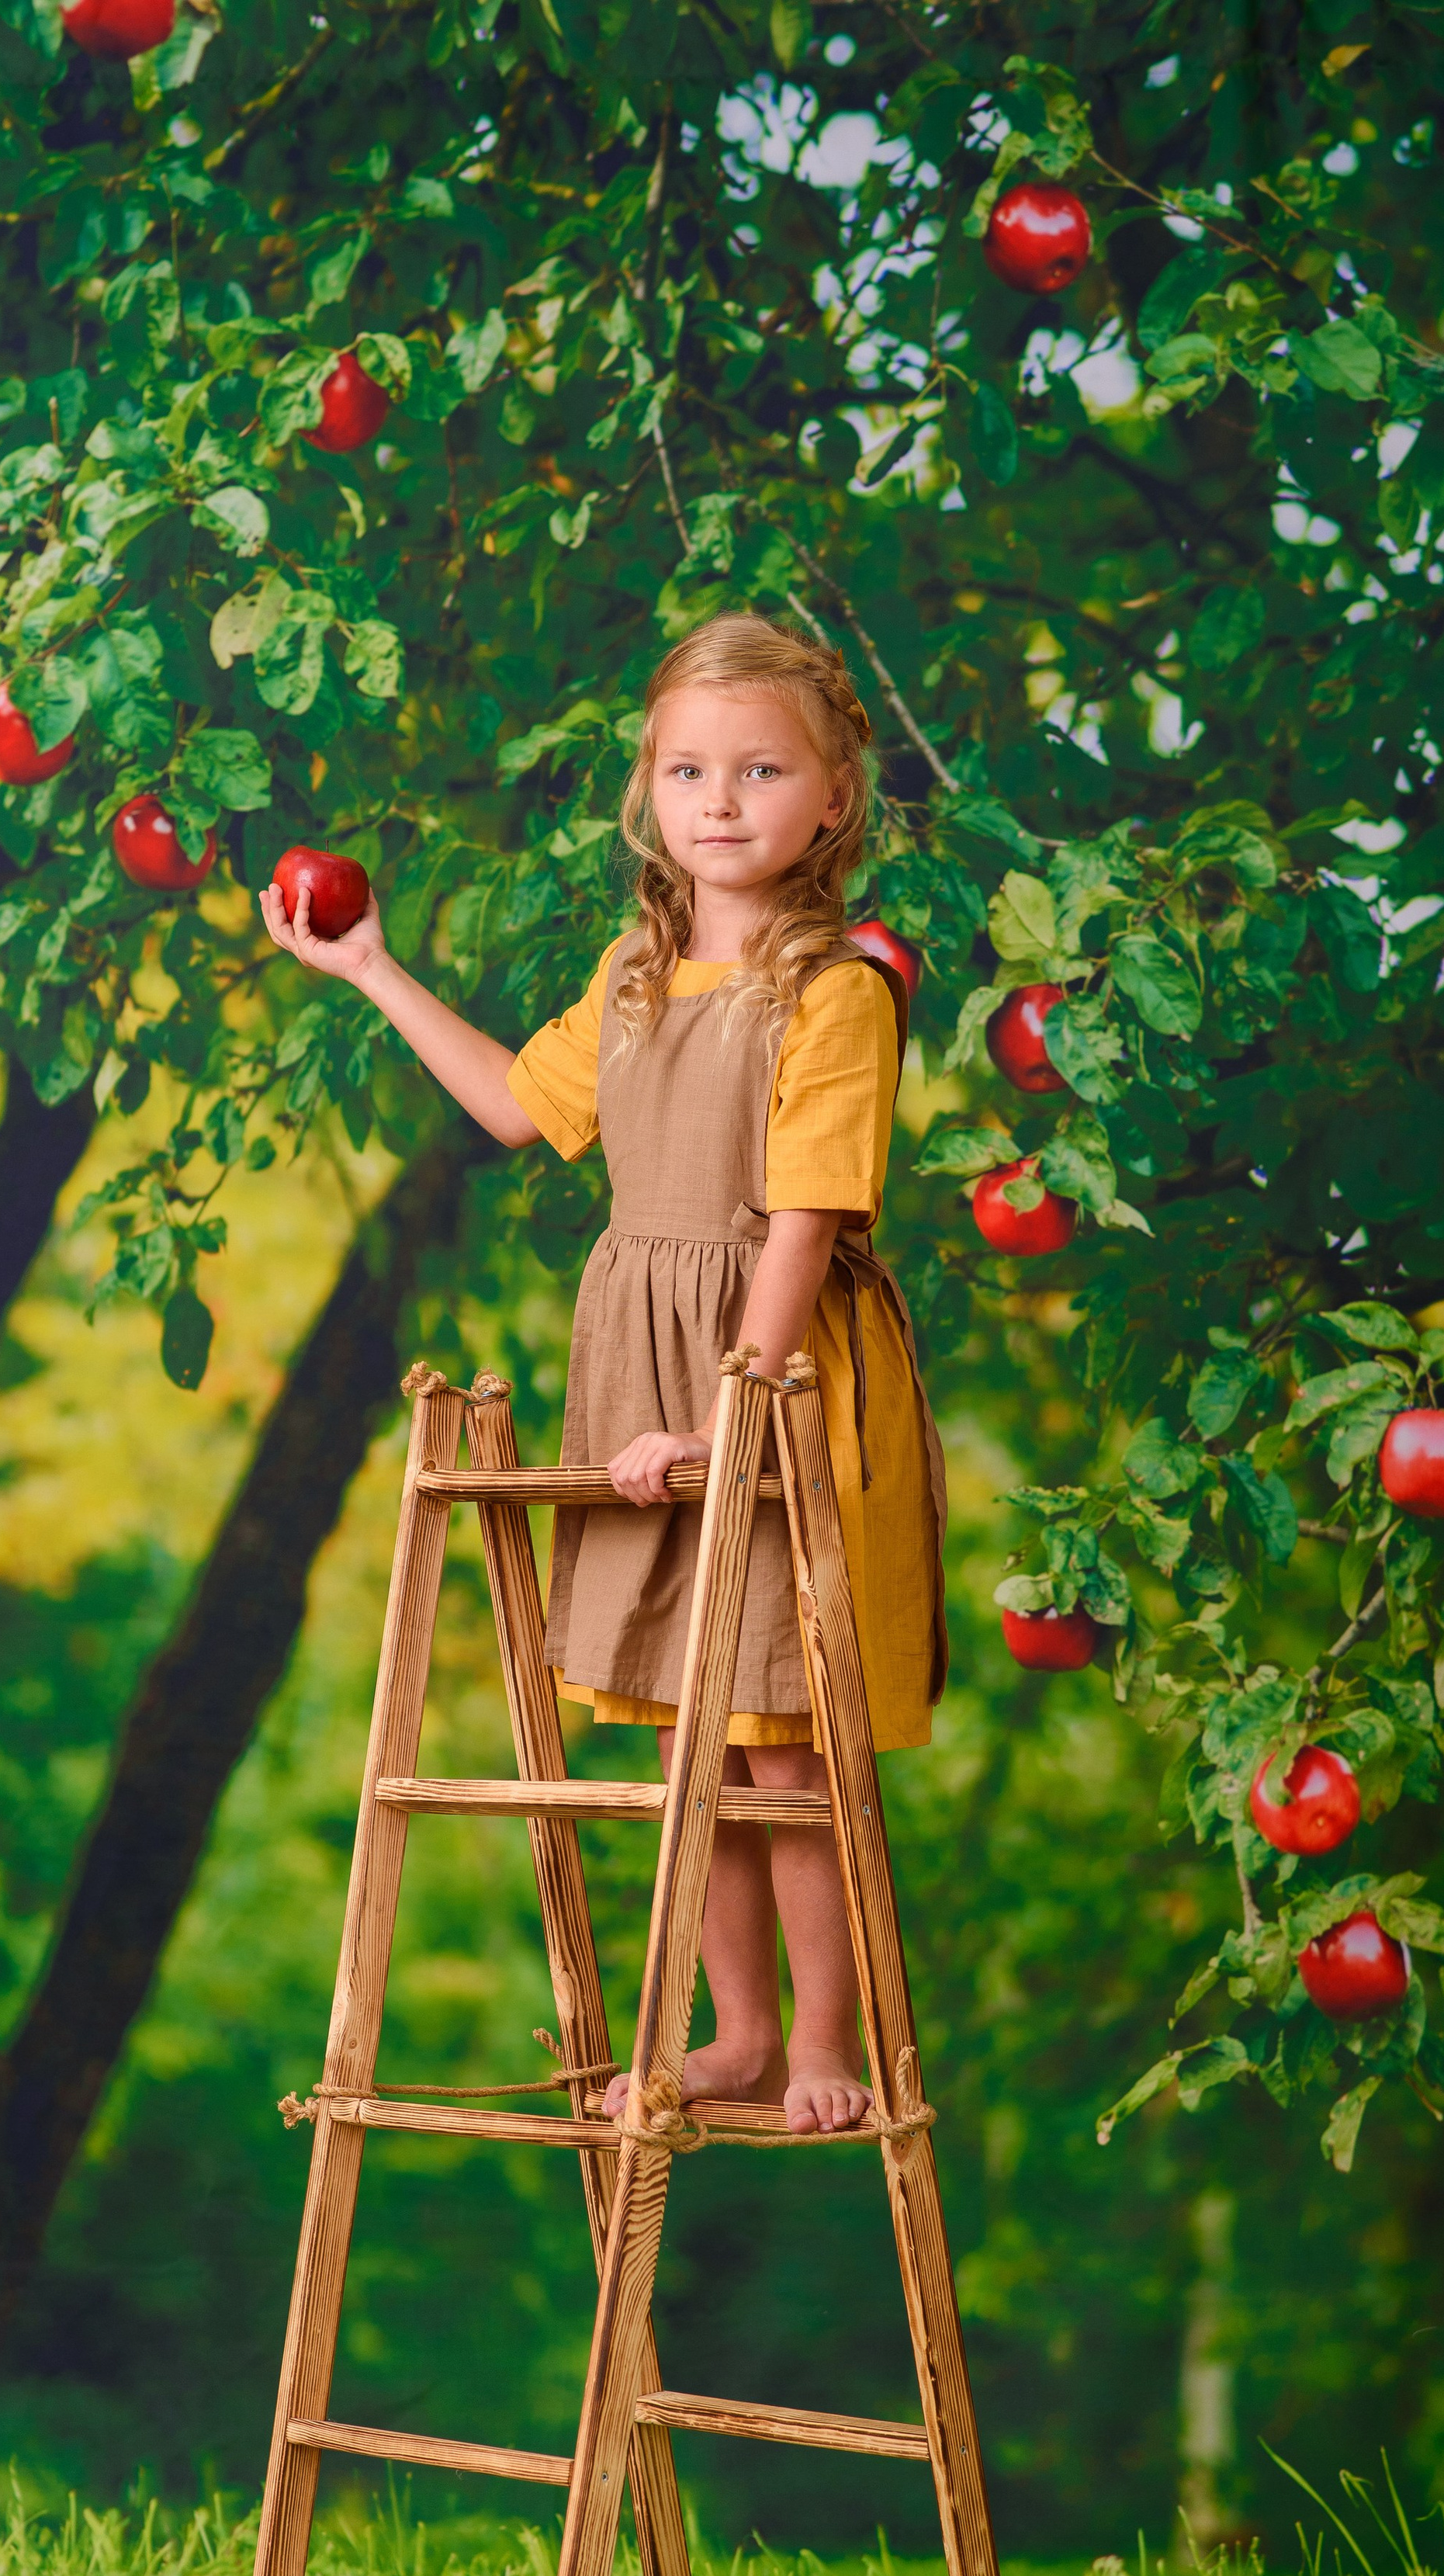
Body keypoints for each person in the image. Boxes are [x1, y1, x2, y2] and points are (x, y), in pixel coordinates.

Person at [260, 612, 945, 2134]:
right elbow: (512, 1103)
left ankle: (820, 2037)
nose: (718, 800)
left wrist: (734, 1413)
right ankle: (732, 2022)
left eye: (759, 769)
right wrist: (369, 968)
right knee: (679, 1722)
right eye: (687, 768)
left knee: (777, 1738)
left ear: (830, 797)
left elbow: (803, 1220)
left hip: (768, 1376)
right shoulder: (634, 976)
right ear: (647, 791)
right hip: (637, 1370)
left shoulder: (832, 991)